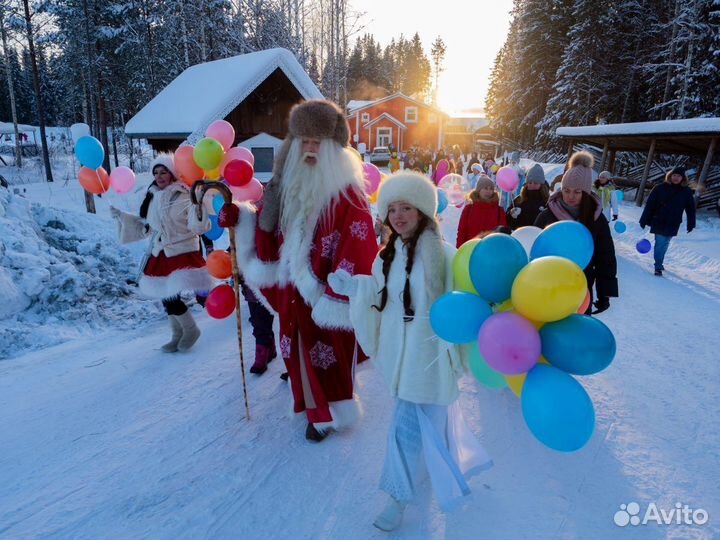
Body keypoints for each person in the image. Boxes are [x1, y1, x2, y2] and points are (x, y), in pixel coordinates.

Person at [327, 172, 492, 532]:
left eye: (407, 208)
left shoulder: (445, 255)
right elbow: (377, 292)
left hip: (430, 357)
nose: (398, 216)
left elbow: (460, 306)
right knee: (423, 425)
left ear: (423, 211)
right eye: (392, 209)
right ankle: (438, 471)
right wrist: (353, 285)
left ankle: (397, 499)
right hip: (401, 356)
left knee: (406, 427)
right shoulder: (388, 254)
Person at [232, 99, 379, 442]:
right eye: (305, 142)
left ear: (331, 148)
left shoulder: (349, 194)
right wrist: (240, 219)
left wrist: (334, 291)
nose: (310, 149)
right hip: (292, 293)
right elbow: (266, 224)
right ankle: (314, 410)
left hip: (325, 292)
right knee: (295, 352)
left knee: (329, 356)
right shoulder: (285, 186)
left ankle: (326, 413)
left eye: (318, 143)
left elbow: (359, 242)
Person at [111, 154, 213, 352]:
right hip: (160, 252)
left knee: (171, 296)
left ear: (172, 173)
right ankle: (177, 334)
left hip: (180, 251)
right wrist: (122, 217)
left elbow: (197, 226)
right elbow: (149, 227)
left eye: (163, 172)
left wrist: (199, 208)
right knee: (165, 296)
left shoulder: (185, 194)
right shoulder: (153, 196)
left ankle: (190, 330)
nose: (159, 176)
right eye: (156, 173)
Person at [535, 151, 618, 314]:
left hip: (581, 288)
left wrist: (605, 293)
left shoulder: (596, 219)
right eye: (566, 190)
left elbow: (605, 257)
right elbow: (531, 249)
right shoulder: (547, 215)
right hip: (547, 287)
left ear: (586, 192)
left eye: (577, 192)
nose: (570, 196)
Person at [639, 166, 696, 276]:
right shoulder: (659, 188)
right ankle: (658, 266)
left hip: (673, 222)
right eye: (674, 175)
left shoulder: (686, 192)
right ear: (670, 176)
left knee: (665, 243)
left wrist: (691, 223)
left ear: (683, 178)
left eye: (678, 176)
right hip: (658, 220)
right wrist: (644, 219)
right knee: (660, 243)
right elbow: (650, 205)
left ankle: (659, 261)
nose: (676, 178)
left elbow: (690, 208)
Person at [456, 175, 507, 247]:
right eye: (485, 188)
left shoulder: (499, 210)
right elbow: (461, 232)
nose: (488, 191)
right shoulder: (469, 209)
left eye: (491, 189)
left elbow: (502, 235)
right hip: (471, 250)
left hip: (491, 251)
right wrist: (460, 249)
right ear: (479, 190)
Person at [506, 163, 550, 230]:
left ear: (541, 185)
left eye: (536, 183)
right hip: (520, 237)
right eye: (530, 183)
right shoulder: (518, 200)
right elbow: (508, 223)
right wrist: (511, 215)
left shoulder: (547, 202)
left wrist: (546, 216)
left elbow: (552, 224)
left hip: (540, 238)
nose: (532, 185)